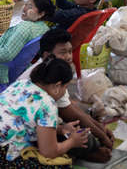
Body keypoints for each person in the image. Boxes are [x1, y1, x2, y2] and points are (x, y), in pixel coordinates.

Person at [0, 56, 88, 168]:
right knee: (59, 165)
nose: (64, 92)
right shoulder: (47, 103)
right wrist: (72, 142)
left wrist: (61, 129)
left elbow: (23, 121)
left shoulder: (21, 84)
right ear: (57, 86)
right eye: (65, 87)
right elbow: (49, 152)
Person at [19, 28, 114, 163]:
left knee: (82, 115)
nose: (69, 57)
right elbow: (72, 115)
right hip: (20, 138)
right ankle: (86, 153)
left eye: (70, 51)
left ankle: (85, 148)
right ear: (47, 55)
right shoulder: (48, 90)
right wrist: (102, 138)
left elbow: (72, 108)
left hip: (25, 124)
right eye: (63, 52)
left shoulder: (49, 69)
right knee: (77, 133)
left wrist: (101, 130)